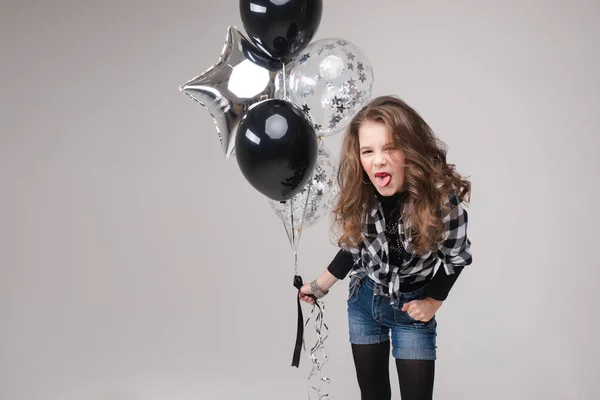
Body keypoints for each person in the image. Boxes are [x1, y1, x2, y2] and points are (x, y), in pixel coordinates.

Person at [299, 95, 472, 400]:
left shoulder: (442, 201)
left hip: (411, 306)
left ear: (410, 150)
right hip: (365, 301)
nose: (378, 160)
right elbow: (353, 248)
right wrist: (317, 286)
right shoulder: (362, 196)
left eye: (390, 148)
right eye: (368, 151)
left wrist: (432, 302)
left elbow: (456, 257)